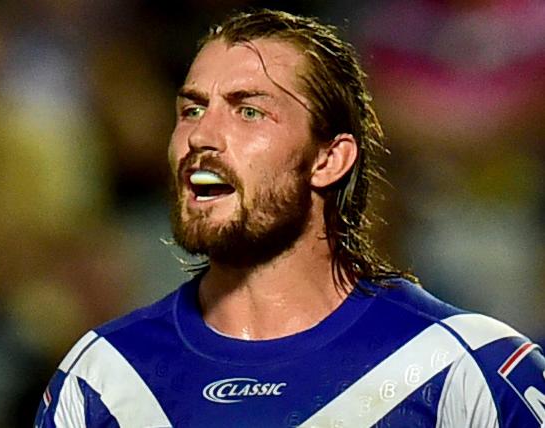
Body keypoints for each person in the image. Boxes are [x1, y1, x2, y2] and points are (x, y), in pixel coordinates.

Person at [35, 9, 545, 428]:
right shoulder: (103, 377)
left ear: (329, 159)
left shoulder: (468, 369)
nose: (200, 137)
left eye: (248, 111)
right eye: (191, 110)